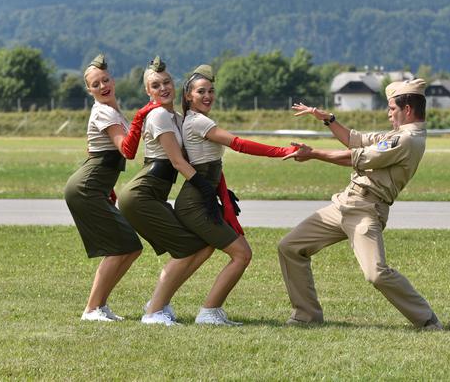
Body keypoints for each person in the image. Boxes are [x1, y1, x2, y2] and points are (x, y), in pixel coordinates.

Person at [278, 78, 444, 330]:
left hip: (366, 210)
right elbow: (355, 140)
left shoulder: (407, 140)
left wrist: (313, 154)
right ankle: (306, 314)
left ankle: (426, 319)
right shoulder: (397, 135)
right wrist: (328, 119)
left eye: (392, 109)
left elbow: (356, 157)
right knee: (290, 247)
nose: (388, 114)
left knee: (376, 273)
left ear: (407, 110)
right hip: (344, 203)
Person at [174, 64, 297, 325]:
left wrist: (222, 192)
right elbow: (238, 144)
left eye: (211, 91)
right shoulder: (198, 121)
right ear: (188, 96)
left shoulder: (192, 119)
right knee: (242, 254)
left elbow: (210, 165)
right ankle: (208, 311)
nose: (207, 96)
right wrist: (282, 151)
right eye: (200, 91)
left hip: (200, 197)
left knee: (200, 252)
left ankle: (160, 304)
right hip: (196, 201)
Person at [119, 56, 215, 326]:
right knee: (188, 248)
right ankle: (153, 313)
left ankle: (158, 303)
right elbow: (177, 161)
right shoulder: (159, 115)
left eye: (167, 82)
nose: (163, 88)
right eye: (156, 85)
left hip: (151, 194)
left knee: (200, 245)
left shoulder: (177, 116)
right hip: (141, 196)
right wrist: (204, 187)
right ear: (148, 92)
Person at [64, 54, 158, 322]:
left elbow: (94, 150)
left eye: (105, 80)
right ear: (89, 90)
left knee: (131, 247)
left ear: (112, 80)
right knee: (121, 246)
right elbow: (127, 151)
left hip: (94, 186)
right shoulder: (104, 111)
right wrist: (144, 113)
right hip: (85, 188)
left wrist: (109, 188)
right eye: (96, 84)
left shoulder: (112, 111)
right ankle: (92, 309)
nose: (103, 86)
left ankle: (99, 306)